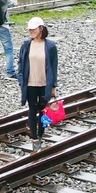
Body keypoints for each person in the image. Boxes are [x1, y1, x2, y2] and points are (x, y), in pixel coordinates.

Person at [17, 16, 58, 152]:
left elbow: (54, 66)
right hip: (29, 84)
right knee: (32, 110)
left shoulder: (50, 46)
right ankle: (34, 138)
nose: (31, 32)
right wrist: (20, 79)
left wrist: (53, 86)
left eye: (33, 29)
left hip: (44, 84)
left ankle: (40, 135)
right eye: (29, 30)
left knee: (43, 111)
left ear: (41, 29)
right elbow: (21, 63)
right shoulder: (26, 45)